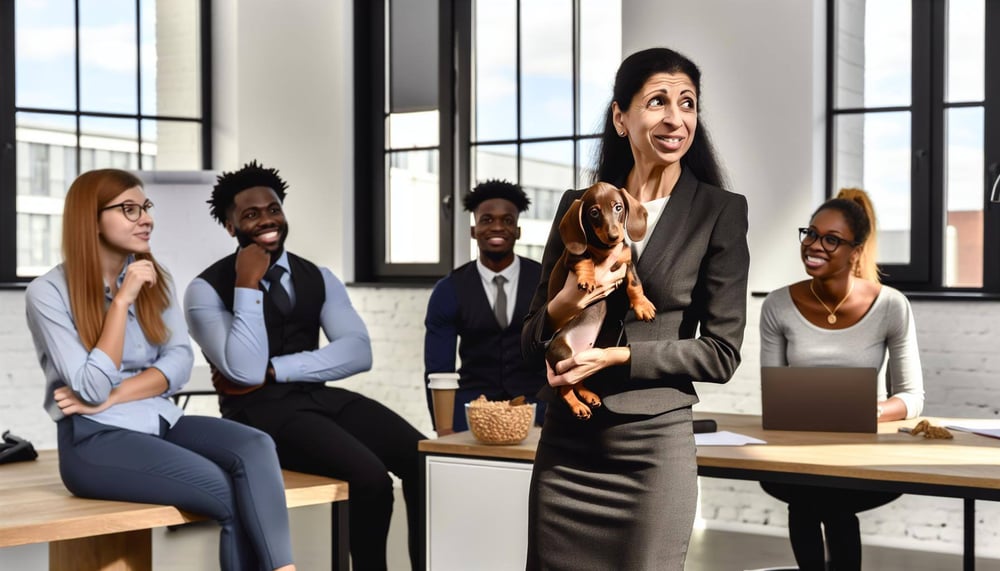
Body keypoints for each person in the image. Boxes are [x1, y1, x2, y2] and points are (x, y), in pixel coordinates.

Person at [521, 47, 750, 570]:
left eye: (688, 103)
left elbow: (720, 354)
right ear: (621, 117)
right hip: (566, 450)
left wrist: (618, 358)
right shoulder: (579, 207)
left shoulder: (719, 212)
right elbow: (531, 339)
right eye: (658, 102)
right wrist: (571, 299)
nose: (676, 117)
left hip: (652, 454)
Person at [24, 169, 297, 571]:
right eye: (129, 209)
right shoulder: (47, 292)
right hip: (95, 440)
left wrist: (115, 395)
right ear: (91, 220)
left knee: (256, 446)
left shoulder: (157, 276)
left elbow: (179, 362)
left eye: (145, 207)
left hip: (161, 419)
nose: (146, 218)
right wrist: (120, 302)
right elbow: (91, 386)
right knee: (224, 489)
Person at [183, 160, 425, 571]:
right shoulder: (204, 290)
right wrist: (247, 285)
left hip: (314, 396)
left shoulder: (320, 276)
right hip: (257, 412)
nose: (267, 219)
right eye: (251, 214)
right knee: (371, 480)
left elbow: (357, 352)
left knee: (423, 461)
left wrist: (276, 369)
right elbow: (243, 370)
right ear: (230, 227)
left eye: (273, 208)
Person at [759, 188, 925, 571]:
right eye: (811, 234)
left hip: (864, 456)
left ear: (856, 250)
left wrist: (869, 411)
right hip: (797, 454)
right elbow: (774, 396)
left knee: (818, 497)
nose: (814, 245)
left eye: (831, 239)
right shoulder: (778, 306)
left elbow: (912, 396)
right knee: (812, 490)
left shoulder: (891, 305)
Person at [423, 179, 546, 434]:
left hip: (538, 406)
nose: (497, 227)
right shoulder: (448, 290)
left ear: (518, 230)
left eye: (507, 220)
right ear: (474, 229)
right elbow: (438, 370)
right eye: (487, 220)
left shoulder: (545, 281)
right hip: (471, 409)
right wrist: (445, 428)